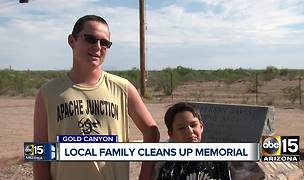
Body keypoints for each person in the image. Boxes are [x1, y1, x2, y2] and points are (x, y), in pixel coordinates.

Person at [33, 15, 160, 180]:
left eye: (104, 43)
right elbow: (39, 149)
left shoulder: (123, 88)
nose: (97, 47)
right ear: (72, 41)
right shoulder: (48, 93)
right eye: (90, 39)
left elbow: (152, 132)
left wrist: (144, 177)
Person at [153, 102, 231, 180]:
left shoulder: (218, 161)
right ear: (171, 134)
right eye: (181, 128)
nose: (190, 131)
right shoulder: (167, 167)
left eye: (193, 125)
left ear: (201, 127)